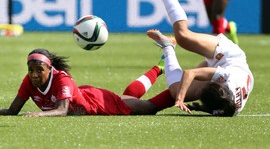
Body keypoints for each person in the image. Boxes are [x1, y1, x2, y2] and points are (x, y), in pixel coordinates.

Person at [140, 0, 254, 116]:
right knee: (183, 37)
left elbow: (215, 107)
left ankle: (168, 47)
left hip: (226, 73)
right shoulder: (226, 77)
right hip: (229, 56)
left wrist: (197, 106)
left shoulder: (229, 108)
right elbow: (190, 73)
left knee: (176, 90)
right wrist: (180, 100)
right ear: (222, 89)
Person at [0, 48, 175, 117]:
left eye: (40, 70)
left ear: (50, 69)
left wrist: (39, 115)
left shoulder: (62, 79)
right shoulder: (29, 81)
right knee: (128, 97)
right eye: (31, 70)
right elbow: (12, 110)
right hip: (83, 94)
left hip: (98, 104)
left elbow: (62, 110)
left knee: (149, 109)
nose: (34, 75)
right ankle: (159, 68)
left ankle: (181, 85)